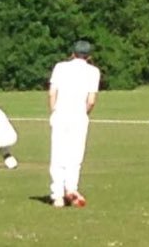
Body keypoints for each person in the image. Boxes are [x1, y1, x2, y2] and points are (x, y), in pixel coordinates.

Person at [48, 40, 100, 208]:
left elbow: (52, 93)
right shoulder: (93, 71)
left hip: (60, 114)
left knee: (58, 154)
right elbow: (91, 101)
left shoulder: (60, 67)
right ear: (89, 56)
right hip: (79, 116)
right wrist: (83, 113)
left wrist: (54, 111)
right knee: (75, 155)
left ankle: (57, 195)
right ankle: (71, 188)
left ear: (72, 53)